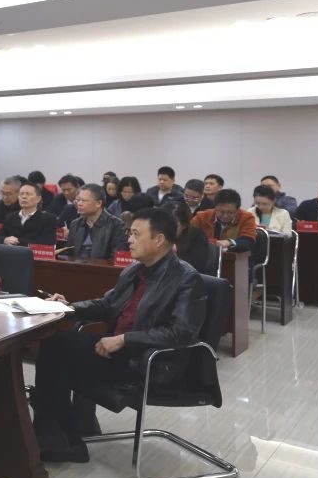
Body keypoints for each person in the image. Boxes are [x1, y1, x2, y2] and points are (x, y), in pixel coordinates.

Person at [32, 208, 206, 462]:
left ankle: (60, 438)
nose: (129, 240)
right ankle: (63, 435)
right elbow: (107, 305)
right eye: (129, 233)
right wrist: (68, 307)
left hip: (150, 361)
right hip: (118, 350)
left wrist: (125, 339)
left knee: (57, 354)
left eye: (136, 234)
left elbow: (181, 333)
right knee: (54, 344)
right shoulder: (136, 270)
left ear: (159, 239)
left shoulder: (186, 279)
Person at [66, 184, 128, 260]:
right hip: (75, 266)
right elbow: (68, 253)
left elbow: (116, 258)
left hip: (101, 267)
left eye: (83, 200)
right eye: (78, 200)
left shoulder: (116, 225)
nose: (79, 204)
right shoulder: (75, 224)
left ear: (98, 203)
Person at [191, 189, 257, 252]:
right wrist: (212, 242)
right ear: (215, 208)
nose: (225, 216)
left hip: (235, 257)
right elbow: (188, 236)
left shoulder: (246, 218)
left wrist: (229, 242)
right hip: (206, 255)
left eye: (230, 212)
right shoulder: (202, 217)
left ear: (238, 210)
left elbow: (248, 241)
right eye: (221, 212)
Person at [170, 201, 215, 274]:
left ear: (184, 225)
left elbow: (194, 268)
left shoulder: (197, 237)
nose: (168, 228)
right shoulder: (158, 234)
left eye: (174, 225)